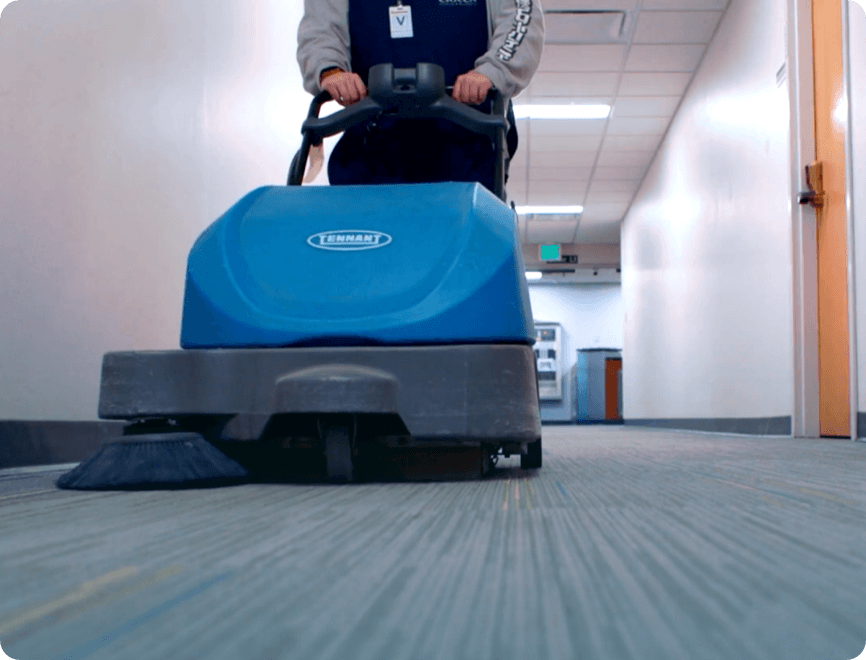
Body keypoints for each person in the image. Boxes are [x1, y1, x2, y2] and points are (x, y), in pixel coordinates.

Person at [297, 0, 544, 194]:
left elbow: (520, 19)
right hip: (371, 140)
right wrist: (330, 70)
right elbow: (321, 30)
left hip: (467, 139)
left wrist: (491, 73)